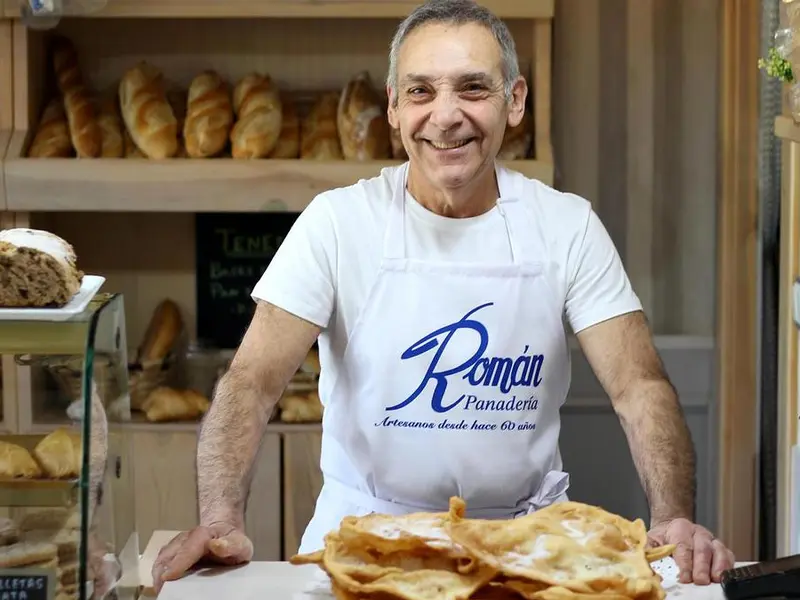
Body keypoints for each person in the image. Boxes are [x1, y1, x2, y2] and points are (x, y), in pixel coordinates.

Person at [152, 0, 736, 592]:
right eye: (421, 91)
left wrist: (672, 518)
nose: (445, 115)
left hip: (526, 546)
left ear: (515, 102)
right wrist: (220, 519)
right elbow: (252, 382)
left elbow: (640, 386)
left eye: (473, 88)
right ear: (394, 107)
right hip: (363, 538)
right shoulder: (336, 223)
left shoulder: (567, 227)